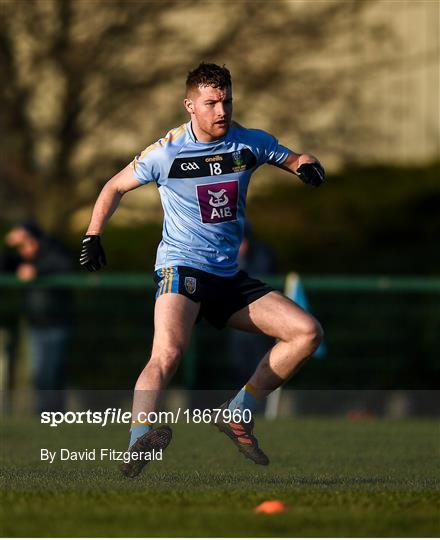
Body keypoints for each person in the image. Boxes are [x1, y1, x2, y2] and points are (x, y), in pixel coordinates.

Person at [80, 63, 325, 478]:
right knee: (168, 352)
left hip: (229, 275)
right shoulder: (167, 151)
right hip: (182, 266)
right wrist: (93, 234)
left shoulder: (248, 143)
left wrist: (309, 166)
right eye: (211, 102)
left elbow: (295, 156)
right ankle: (138, 439)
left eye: (226, 100)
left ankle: (237, 412)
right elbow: (113, 186)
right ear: (190, 105)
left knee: (307, 333)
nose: (221, 109)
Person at [5, 221, 73, 413]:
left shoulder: (52, 250)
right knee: (39, 375)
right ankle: (44, 413)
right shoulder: (24, 258)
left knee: (53, 373)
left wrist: (38, 271)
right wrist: (7, 244)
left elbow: (64, 264)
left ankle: (53, 413)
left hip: (58, 322)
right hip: (36, 324)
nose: (23, 250)